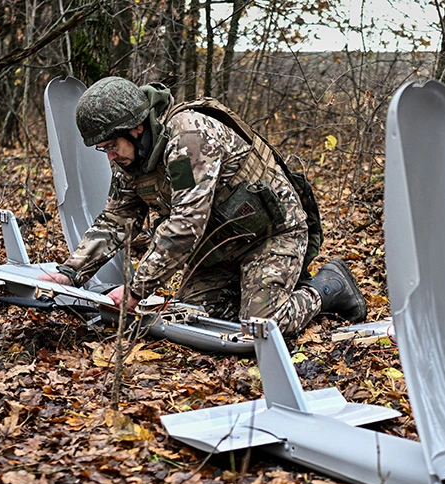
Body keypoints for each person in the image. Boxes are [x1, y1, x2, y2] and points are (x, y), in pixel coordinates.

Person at [39, 76, 366, 336]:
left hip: (271, 235)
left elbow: (186, 224)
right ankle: (253, 287)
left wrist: (137, 290)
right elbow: (116, 220)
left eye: (112, 145)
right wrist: (70, 273)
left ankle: (329, 286)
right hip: (219, 249)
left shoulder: (189, 138)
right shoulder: (132, 159)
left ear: (137, 128)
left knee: (262, 327)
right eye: (103, 149)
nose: (109, 156)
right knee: (191, 320)